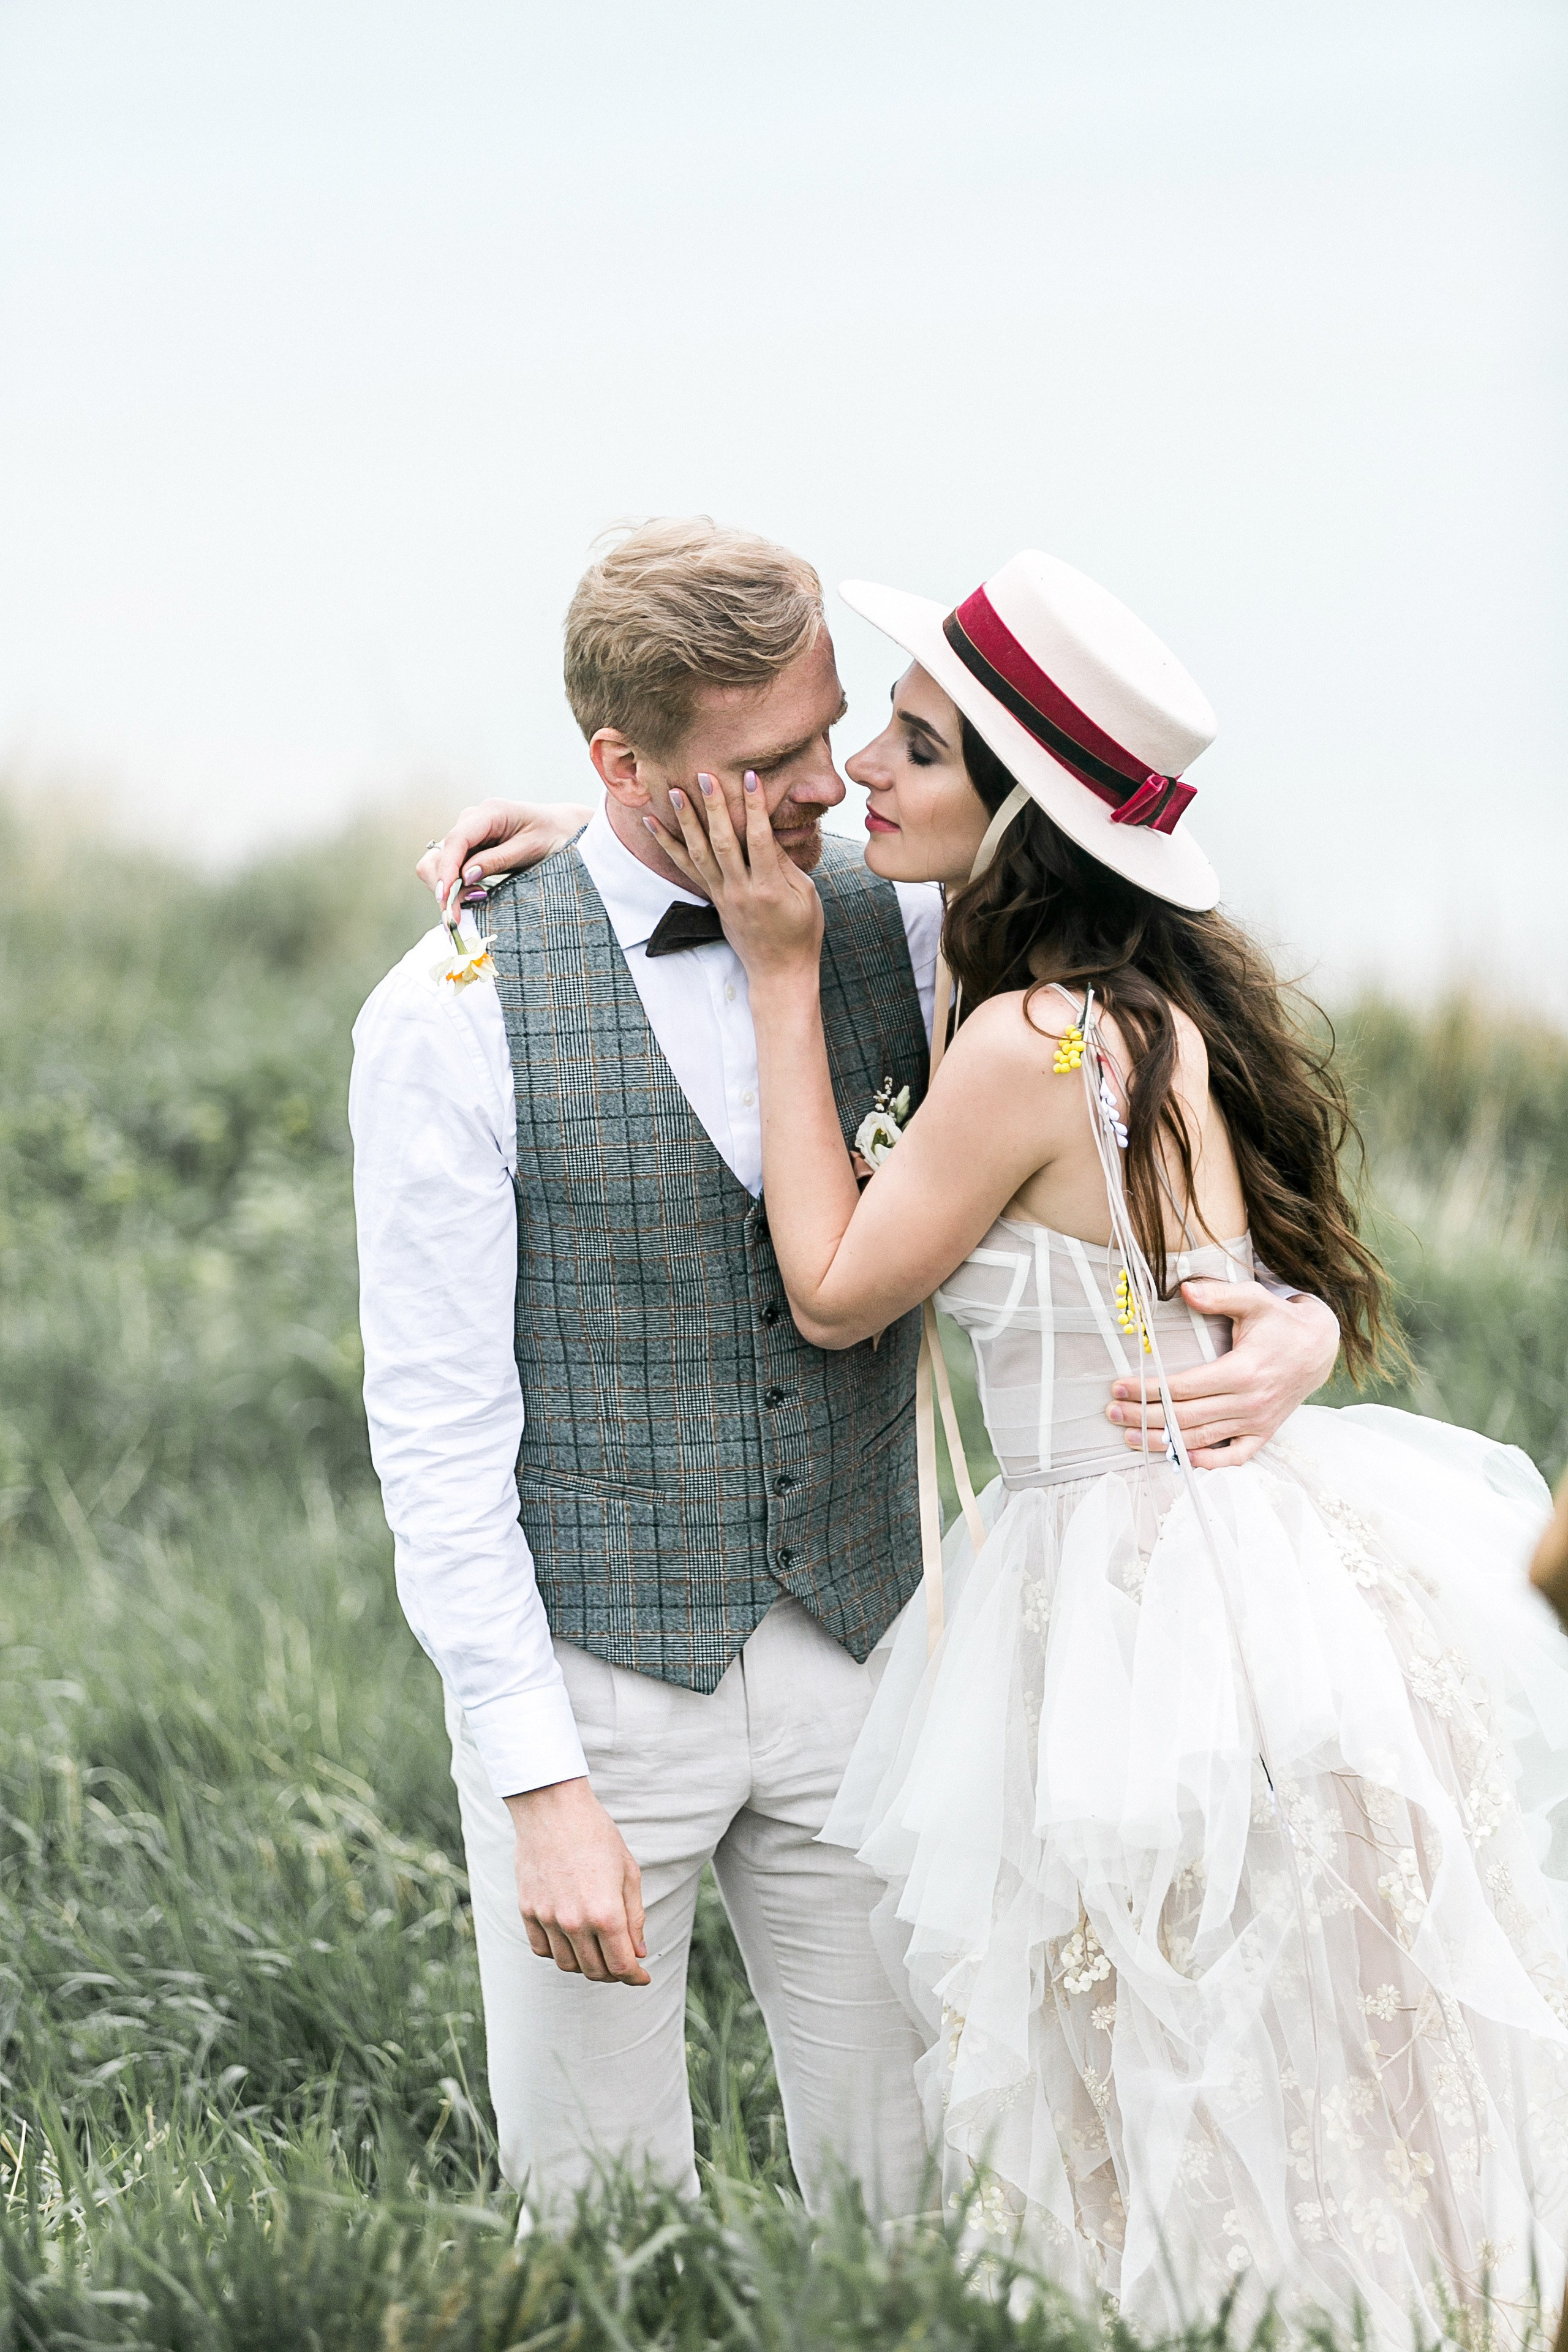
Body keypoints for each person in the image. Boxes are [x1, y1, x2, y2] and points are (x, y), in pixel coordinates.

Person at [630, 546, 1568, 2345]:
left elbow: (834, 1290)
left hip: (1123, 1579)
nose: (864, 782)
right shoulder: (1146, 1009)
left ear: (1018, 820)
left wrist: (770, 976)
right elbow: (1235, 1275)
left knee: (1147, 2056)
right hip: (1251, 1559)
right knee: (1286, 2055)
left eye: (914, 750)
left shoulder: (1018, 1044)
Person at [350, 520, 1339, 2219]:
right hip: (602, 1693)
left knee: (920, 2203)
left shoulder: (922, 932)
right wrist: (537, 1780)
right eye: (767, 761)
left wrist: (1293, 1325)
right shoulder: (448, 1014)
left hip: (880, 1674)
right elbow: (437, 1438)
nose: (829, 786)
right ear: (619, 762)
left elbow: (1163, 1101)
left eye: (834, 730)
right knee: (600, 2223)